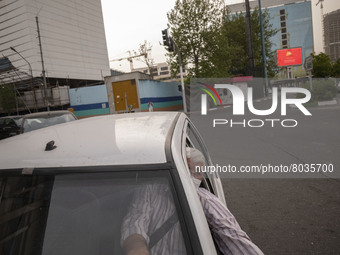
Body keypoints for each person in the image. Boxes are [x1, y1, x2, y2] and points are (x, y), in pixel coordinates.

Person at [186, 148, 264, 255]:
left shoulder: (205, 201)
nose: (193, 177)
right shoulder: (156, 192)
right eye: (188, 169)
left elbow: (231, 234)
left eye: (198, 173)